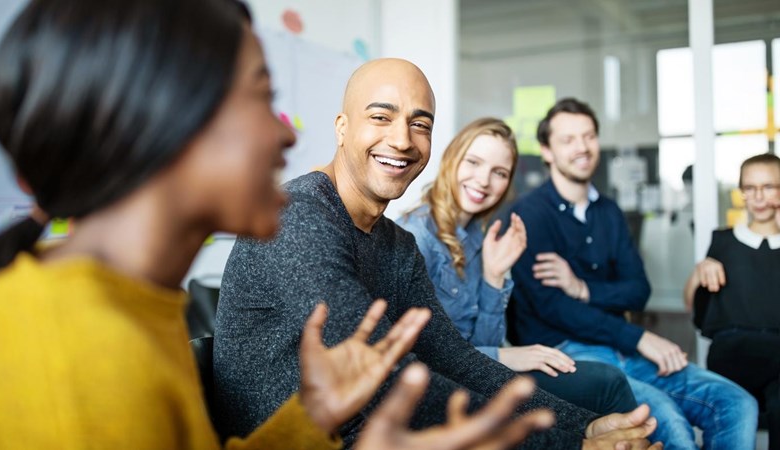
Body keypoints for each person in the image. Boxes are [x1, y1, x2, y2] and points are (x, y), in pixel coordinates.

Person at [0, 1, 560, 449]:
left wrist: (308, 424)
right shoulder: (78, 359)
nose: (286, 134)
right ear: (170, 124)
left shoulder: (130, 308)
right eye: (261, 98)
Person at [215, 59, 663, 449]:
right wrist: (567, 441)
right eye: (381, 117)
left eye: (420, 124)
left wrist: (582, 427)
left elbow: (455, 357)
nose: (403, 140)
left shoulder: (396, 244)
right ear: (342, 127)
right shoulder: (300, 216)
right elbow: (387, 378)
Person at [507, 97, 759, 449]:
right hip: (569, 354)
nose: (582, 148)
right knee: (667, 421)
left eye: (588, 136)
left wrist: (582, 288)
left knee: (736, 403)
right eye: (568, 140)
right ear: (547, 151)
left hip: (621, 347)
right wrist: (638, 337)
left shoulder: (609, 212)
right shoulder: (529, 216)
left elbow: (638, 289)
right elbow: (553, 309)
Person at [396, 117, 637, 415]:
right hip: (438, 388)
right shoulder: (416, 237)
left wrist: (494, 276)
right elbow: (419, 353)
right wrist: (506, 356)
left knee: (605, 385)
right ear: (451, 160)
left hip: (474, 375)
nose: (484, 180)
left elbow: (482, 343)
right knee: (608, 384)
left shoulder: (475, 237)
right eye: (473, 162)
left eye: (499, 173)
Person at [684, 153, 780, 450]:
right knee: (732, 411)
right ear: (741, 193)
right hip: (732, 353)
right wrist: (700, 271)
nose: (759, 197)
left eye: (769, 187)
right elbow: (691, 304)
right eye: (750, 188)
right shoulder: (723, 241)